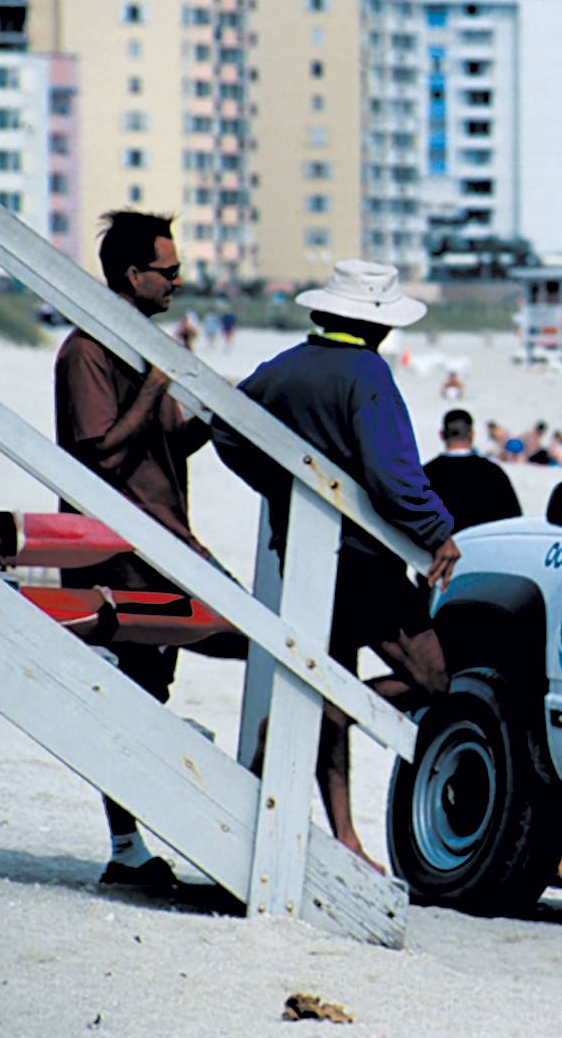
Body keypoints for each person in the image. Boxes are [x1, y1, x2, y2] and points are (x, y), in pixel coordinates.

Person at [212, 260, 457, 870]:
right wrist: (438, 533)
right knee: (432, 680)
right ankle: (314, 717)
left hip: (303, 554)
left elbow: (227, 431)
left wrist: (279, 488)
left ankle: (346, 834)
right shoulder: (367, 372)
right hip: (365, 563)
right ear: (377, 324)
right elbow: (395, 475)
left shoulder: (283, 367)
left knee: (332, 672)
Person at [54, 210, 217, 889]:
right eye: (169, 270)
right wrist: (155, 386)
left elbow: (164, 443)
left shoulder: (134, 344)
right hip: (116, 551)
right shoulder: (89, 350)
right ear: (133, 275)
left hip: (162, 541)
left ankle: (136, 838)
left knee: (150, 688)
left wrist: (212, 415)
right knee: (128, 692)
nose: (179, 280)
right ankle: (127, 845)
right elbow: (96, 453)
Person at [424, 409, 521, 532]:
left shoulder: (426, 473)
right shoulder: (493, 473)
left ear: (442, 434)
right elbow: (513, 521)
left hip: (438, 549)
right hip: (482, 547)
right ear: (472, 434)